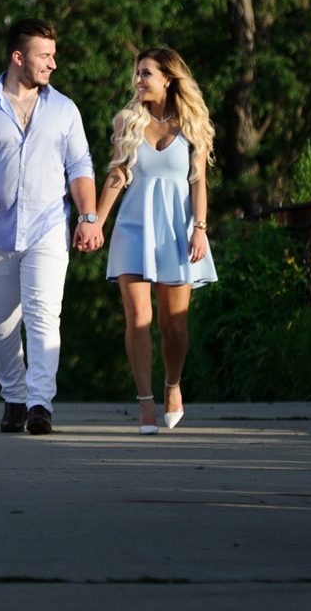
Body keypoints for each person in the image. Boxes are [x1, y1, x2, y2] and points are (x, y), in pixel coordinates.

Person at [0, 17, 103, 435]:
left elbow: (80, 166)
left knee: (43, 316)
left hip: (48, 227)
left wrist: (88, 216)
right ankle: (14, 399)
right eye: (45, 56)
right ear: (19, 57)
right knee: (1, 322)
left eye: (53, 55)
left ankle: (40, 405)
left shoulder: (65, 110)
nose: (53, 64)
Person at [93, 44, 217, 434]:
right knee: (139, 318)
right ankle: (145, 403)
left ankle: (172, 385)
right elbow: (117, 175)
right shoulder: (127, 121)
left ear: (168, 78)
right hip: (134, 227)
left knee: (175, 326)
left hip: (178, 229)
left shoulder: (192, 123)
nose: (138, 80)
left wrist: (200, 228)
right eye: (137, 72)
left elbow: (198, 183)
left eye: (146, 73)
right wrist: (94, 222)